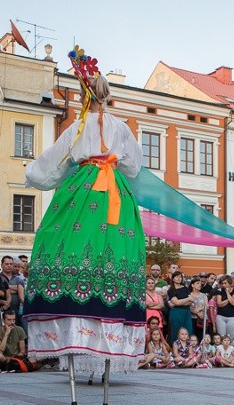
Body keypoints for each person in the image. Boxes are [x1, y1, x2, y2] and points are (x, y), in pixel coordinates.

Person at [23, 48, 146, 379]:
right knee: (112, 253)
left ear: (82, 95)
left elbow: (53, 163)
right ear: (107, 95)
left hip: (83, 190)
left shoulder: (78, 127)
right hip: (115, 193)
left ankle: (74, 329)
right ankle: (107, 340)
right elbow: (134, 166)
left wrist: (31, 172)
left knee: (66, 242)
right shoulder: (121, 127)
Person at [167, 272, 193, 344]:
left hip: (186, 312)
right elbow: (177, 302)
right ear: (173, 278)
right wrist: (187, 299)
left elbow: (191, 301)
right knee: (176, 332)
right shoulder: (171, 290)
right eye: (177, 277)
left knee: (188, 331)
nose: (179, 278)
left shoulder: (185, 288)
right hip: (176, 312)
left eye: (180, 277)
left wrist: (179, 302)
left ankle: (187, 350)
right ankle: (175, 351)